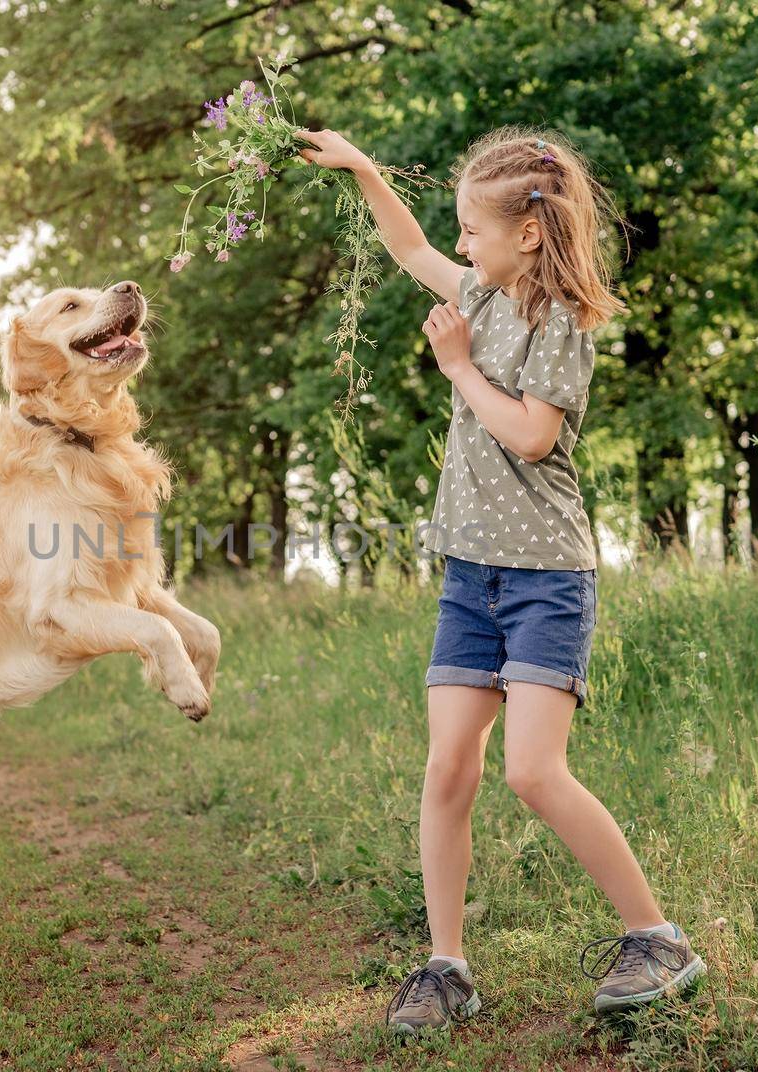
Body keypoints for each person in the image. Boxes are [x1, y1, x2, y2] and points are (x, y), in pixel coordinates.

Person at [294, 125, 706, 1034]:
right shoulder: (476, 291)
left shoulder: (558, 322)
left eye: (472, 230)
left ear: (527, 232)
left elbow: (531, 435)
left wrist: (454, 365)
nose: (461, 245)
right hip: (469, 575)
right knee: (448, 768)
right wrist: (363, 169)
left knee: (532, 772)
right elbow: (407, 248)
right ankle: (447, 967)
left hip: (546, 577)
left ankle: (658, 937)